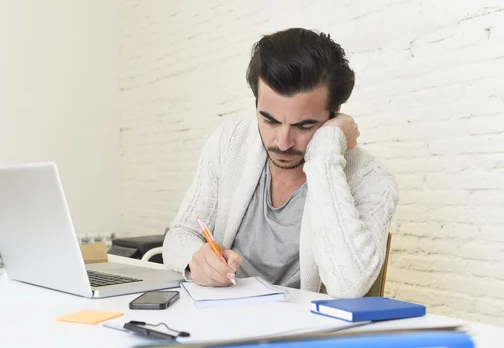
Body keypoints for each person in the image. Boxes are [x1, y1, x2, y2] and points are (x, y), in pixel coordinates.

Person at [162, 28, 398, 298]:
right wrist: (196, 259)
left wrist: (326, 152)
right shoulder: (231, 142)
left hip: (301, 333)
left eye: (305, 125)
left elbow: (350, 286)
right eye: (270, 121)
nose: (283, 142)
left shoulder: (371, 178)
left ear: (334, 115)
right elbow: (179, 234)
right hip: (220, 319)